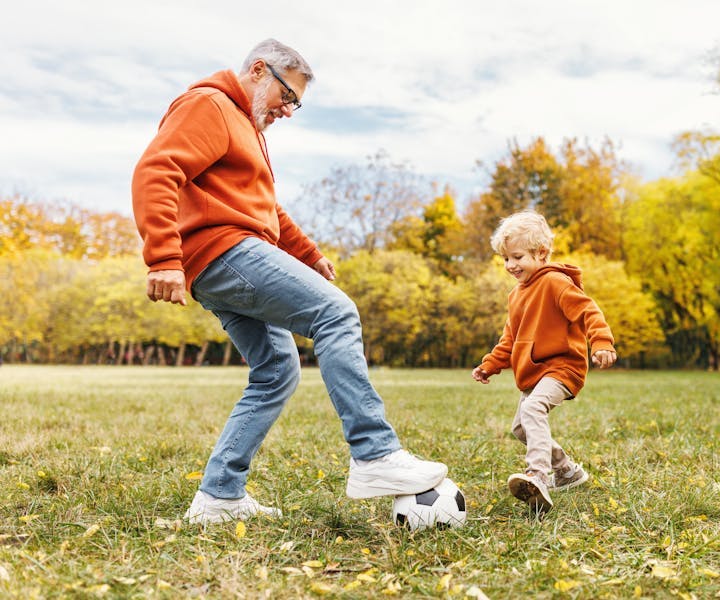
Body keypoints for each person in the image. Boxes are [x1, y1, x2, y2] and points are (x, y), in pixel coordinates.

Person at [131, 38, 447, 525]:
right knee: (336, 312)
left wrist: (308, 254)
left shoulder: (245, 127)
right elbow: (157, 171)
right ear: (259, 71)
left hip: (227, 254)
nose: (289, 110)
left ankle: (219, 497)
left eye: (297, 103)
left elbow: (265, 208)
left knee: (277, 369)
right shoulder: (210, 105)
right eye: (288, 97)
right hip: (223, 250)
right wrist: (162, 258)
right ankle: (375, 455)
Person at [471, 210, 616, 515]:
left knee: (533, 409)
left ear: (541, 253)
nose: (511, 265)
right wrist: (490, 365)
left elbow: (588, 311)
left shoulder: (555, 282)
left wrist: (601, 342)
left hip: (562, 367)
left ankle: (538, 475)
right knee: (522, 427)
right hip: (533, 373)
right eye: (505, 259)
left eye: (517, 257)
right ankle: (567, 471)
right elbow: (509, 339)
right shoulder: (516, 295)